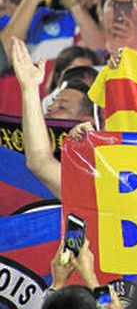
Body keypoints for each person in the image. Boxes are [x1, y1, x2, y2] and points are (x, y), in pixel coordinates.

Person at [11, 36, 93, 197]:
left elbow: (40, 162)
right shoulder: (94, 188)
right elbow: (39, 161)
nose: (50, 108)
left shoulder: (101, 191)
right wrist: (30, 88)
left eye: (62, 106)